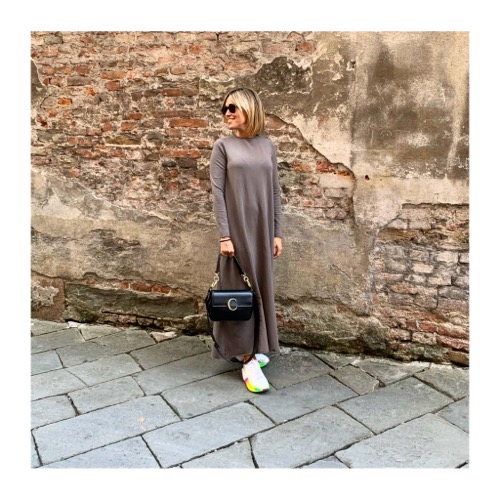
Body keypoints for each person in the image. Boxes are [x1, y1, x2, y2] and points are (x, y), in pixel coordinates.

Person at [209, 87, 283, 393]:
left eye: (233, 108)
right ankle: (248, 359)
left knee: (260, 289)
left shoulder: (267, 146)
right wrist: (225, 235)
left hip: (262, 230)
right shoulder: (222, 147)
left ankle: (256, 346)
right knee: (240, 290)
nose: (227, 113)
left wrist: (277, 232)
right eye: (224, 108)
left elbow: (275, 191)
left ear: (249, 109)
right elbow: (217, 194)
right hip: (237, 231)